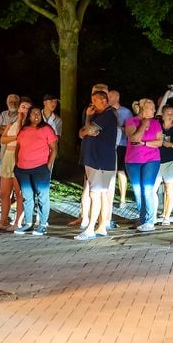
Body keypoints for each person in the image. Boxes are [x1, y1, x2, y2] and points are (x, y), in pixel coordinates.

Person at [74, 90, 118, 241]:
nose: (92, 104)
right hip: (94, 159)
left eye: (95, 101)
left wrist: (88, 118)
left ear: (104, 101)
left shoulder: (108, 115)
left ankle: (90, 228)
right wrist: (87, 128)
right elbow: (81, 133)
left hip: (100, 161)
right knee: (101, 194)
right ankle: (101, 226)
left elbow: (90, 130)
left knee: (95, 194)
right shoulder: (99, 116)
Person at [14, 106, 58, 236]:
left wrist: (49, 165)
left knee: (42, 197)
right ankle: (28, 223)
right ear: (29, 116)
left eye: (38, 113)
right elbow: (18, 147)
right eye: (33, 114)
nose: (36, 116)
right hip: (23, 168)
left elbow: (54, 148)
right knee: (27, 197)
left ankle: (42, 224)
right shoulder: (24, 130)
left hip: (40, 167)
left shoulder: (46, 129)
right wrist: (17, 163)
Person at [0, 97, 32, 231]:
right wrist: (15, 136)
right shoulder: (12, 122)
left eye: (27, 108)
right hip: (7, 157)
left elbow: (22, 139)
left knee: (19, 192)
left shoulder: (30, 126)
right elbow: (3, 139)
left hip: (20, 158)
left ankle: (17, 222)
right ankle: (3, 221)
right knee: (4, 192)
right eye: (22, 107)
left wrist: (20, 122)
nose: (24, 110)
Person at [125, 98, 163, 232]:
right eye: (151, 107)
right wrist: (144, 124)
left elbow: (159, 142)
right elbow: (134, 139)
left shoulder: (157, 123)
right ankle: (142, 219)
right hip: (133, 160)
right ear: (142, 109)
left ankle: (150, 221)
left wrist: (145, 143)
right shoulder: (131, 121)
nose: (154, 110)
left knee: (147, 189)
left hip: (152, 159)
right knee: (137, 191)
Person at [109, 90, 133, 207]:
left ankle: (122, 199)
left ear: (117, 97)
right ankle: (109, 196)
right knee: (110, 170)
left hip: (122, 144)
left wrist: (121, 128)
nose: (108, 98)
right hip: (108, 145)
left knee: (120, 171)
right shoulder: (106, 111)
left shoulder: (126, 112)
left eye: (110, 96)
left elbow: (131, 129)